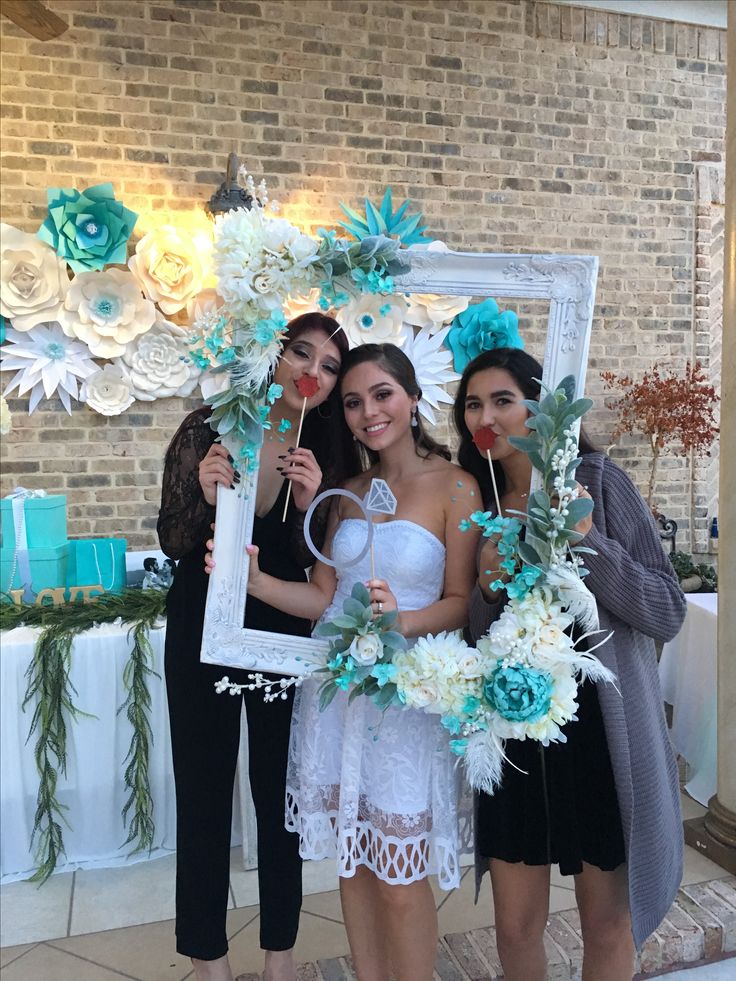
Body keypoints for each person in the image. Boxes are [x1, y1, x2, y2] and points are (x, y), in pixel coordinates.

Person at [240, 343, 481, 981]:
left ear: (412, 398)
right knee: (351, 864)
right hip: (336, 700)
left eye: (382, 395)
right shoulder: (345, 493)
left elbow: (460, 602)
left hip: (404, 704)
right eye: (353, 401)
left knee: (401, 876)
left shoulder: (457, 486)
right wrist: (258, 584)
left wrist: (399, 620)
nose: (368, 412)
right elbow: (322, 596)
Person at [453, 347, 687, 981]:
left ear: (540, 405)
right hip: (514, 734)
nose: (488, 417)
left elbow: (666, 608)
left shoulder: (599, 482)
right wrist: (488, 589)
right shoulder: (481, 497)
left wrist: (587, 538)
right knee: (513, 925)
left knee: (606, 921)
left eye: (503, 400)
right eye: (474, 404)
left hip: (599, 739)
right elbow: (477, 637)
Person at [158, 312, 356, 981]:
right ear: (275, 355)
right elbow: (172, 539)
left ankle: (280, 956)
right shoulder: (209, 427)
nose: (313, 374)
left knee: (281, 795)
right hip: (201, 623)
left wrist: (307, 504)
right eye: (302, 353)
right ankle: (209, 962)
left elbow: (325, 568)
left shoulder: (329, 451)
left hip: (280, 627)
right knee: (205, 790)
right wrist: (208, 492)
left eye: (330, 367)